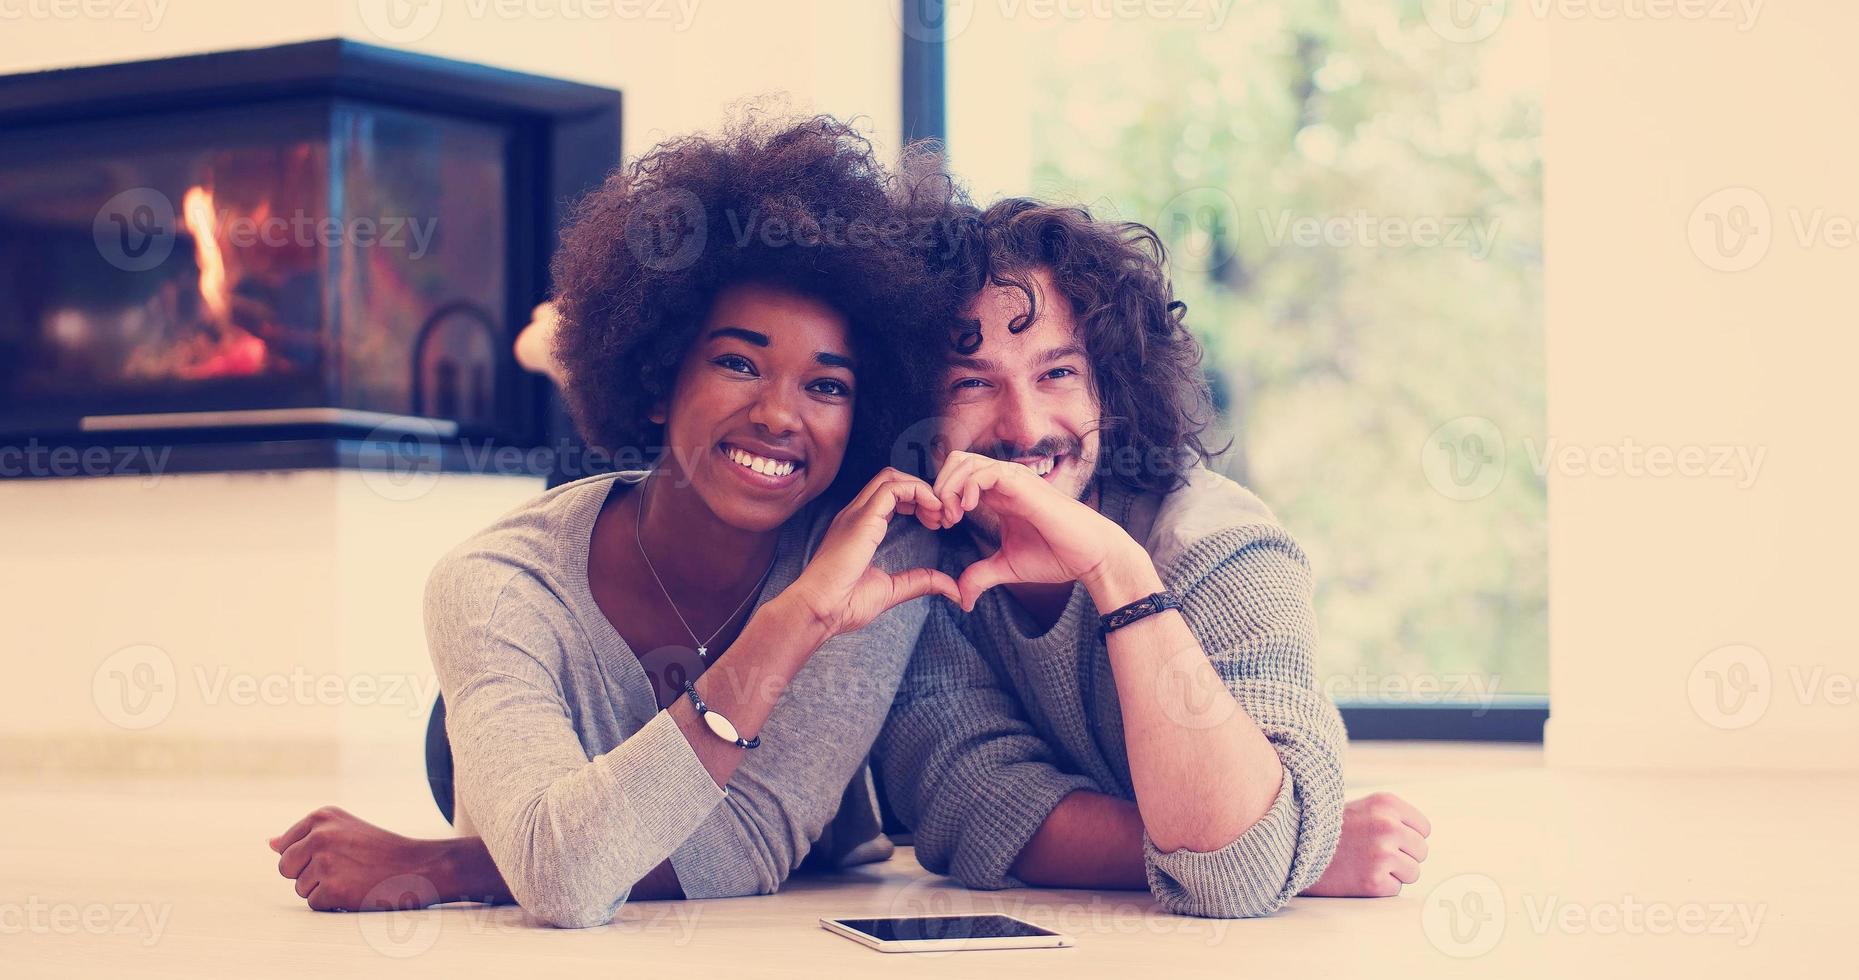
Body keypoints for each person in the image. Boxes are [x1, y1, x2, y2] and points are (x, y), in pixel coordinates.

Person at [267, 117, 959, 927]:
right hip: (517, 735)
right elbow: (563, 876)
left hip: (579, 795)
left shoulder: (872, 551)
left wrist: (447, 864)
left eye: (828, 386)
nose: (778, 414)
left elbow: (744, 845)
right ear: (659, 375)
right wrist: (794, 625)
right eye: (737, 362)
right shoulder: (492, 583)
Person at [875, 197, 1434, 919]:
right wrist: (1295, 848)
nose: (1023, 426)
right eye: (972, 384)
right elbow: (979, 805)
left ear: (1110, 382)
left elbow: (1232, 875)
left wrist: (1118, 573)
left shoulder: (1218, 541)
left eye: (1057, 374)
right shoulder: (909, 562)